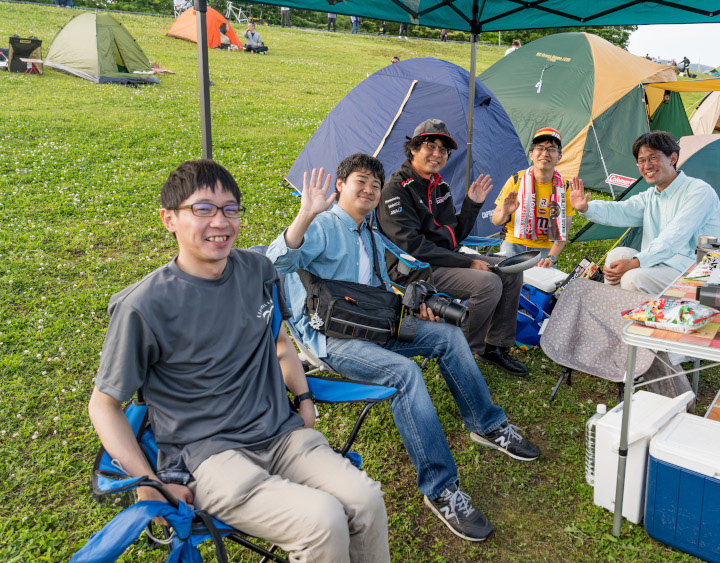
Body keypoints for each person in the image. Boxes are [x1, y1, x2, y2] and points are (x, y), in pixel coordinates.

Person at [88, 160, 389, 562]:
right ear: (169, 219)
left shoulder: (257, 270)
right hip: (208, 456)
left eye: (230, 209)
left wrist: (303, 399)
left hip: (282, 435)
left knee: (367, 500)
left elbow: (280, 342)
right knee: (322, 519)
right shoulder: (143, 307)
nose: (221, 221)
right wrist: (147, 481)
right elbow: (103, 404)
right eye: (203, 209)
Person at [268, 153, 540, 542]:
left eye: (375, 186)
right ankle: (441, 489)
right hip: (334, 339)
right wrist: (304, 216)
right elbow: (277, 262)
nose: (369, 190)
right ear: (340, 185)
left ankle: (488, 424)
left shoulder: (372, 235)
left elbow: (385, 288)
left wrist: (418, 303)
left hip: (375, 324)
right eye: (360, 181)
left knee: (447, 336)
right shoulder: (323, 226)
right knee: (405, 373)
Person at [376, 119, 529, 377]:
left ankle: (494, 346)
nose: (437, 154)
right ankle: (461, 354)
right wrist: (467, 263)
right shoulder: (396, 190)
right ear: (413, 148)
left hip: (444, 260)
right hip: (414, 268)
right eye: (430, 146)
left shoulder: (440, 187)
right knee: (488, 283)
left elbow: (453, 238)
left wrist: (472, 204)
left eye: (444, 150)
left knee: (510, 270)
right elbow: (413, 247)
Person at [569, 131, 720, 294]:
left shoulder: (698, 191)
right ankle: (613, 313)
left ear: (673, 158)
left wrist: (636, 262)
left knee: (632, 278)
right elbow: (621, 211)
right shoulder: (651, 196)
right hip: (658, 264)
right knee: (616, 255)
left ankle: (640, 318)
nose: (647, 166)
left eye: (653, 158)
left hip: (692, 270)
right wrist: (586, 208)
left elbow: (673, 237)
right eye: (641, 161)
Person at [491, 127, 576, 267]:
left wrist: (551, 258)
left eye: (551, 149)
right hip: (514, 242)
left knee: (543, 286)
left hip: (545, 249)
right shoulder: (516, 180)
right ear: (531, 154)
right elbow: (495, 221)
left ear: (559, 157)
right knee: (506, 281)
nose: (545, 153)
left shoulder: (565, 188)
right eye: (540, 148)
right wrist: (505, 212)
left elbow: (562, 235)